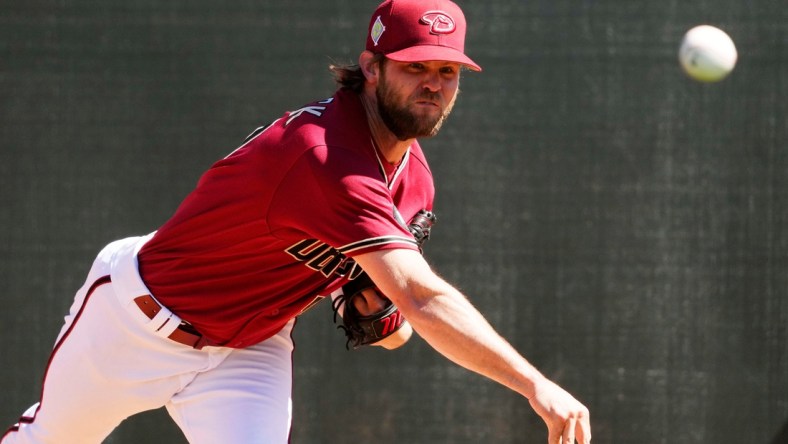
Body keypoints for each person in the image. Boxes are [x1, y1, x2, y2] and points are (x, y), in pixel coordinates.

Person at [2, 0, 591, 443]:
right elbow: (419, 298)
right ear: (371, 67)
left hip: (249, 347)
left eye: (448, 71)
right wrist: (535, 385)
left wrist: (365, 305)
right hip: (137, 322)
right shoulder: (323, 154)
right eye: (415, 68)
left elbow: (394, 326)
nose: (433, 84)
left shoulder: (415, 179)